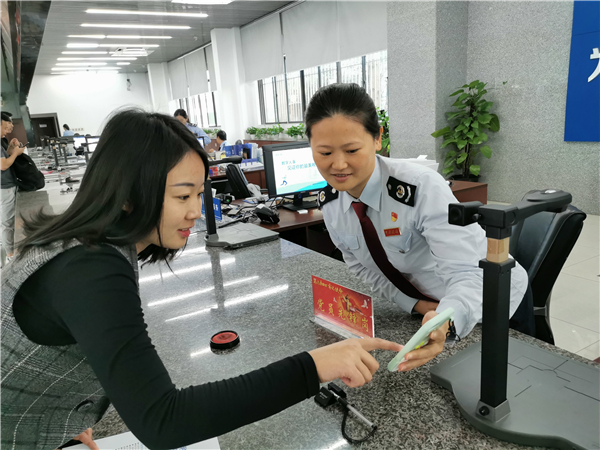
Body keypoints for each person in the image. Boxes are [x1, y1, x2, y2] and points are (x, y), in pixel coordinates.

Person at [1, 109, 402, 450]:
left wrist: (63, 417)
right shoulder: (91, 268)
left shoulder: (84, 245)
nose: (195, 211)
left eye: (198, 194)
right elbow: (164, 420)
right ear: (127, 193)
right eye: (182, 196)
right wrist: (312, 367)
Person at [307, 83, 532, 372]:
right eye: (325, 153)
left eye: (352, 150)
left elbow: (470, 271)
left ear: (377, 139)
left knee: (517, 380)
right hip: (431, 312)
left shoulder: (420, 188)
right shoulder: (330, 203)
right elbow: (362, 267)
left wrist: (446, 320)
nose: (338, 165)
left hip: (493, 300)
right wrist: (415, 305)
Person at [1, 111, 25, 263]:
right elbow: (3, 165)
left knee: (6, 222)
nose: (7, 131)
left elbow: (6, 156)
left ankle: (9, 251)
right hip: (4, 187)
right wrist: (15, 153)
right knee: (7, 223)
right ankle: (10, 255)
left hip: (6, 185)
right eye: (5, 128)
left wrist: (12, 148)